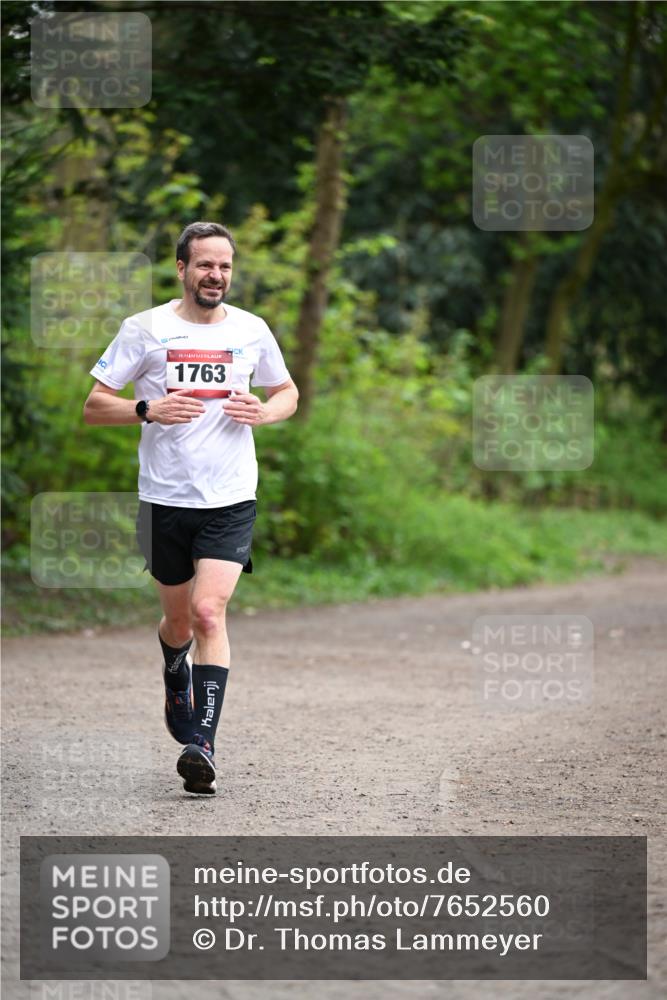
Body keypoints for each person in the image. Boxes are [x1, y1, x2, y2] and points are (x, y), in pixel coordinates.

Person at [83, 221, 298, 795]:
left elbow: (287, 393)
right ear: (181, 269)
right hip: (164, 500)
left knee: (209, 613)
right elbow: (94, 405)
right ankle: (173, 668)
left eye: (225, 266)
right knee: (178, 622)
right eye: (205, 265)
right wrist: (145, 409)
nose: (216, 275)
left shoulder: (252, 330)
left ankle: (202, 742)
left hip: (230, 499)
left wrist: (264, 413)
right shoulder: (145, 329)